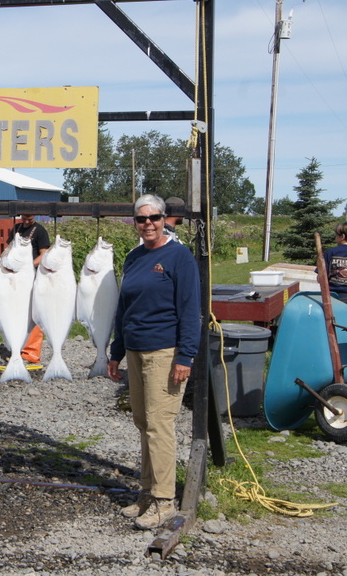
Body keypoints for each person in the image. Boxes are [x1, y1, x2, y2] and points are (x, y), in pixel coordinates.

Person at [107, 194, 201, 530]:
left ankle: (165, 502)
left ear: (165, 219)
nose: (148, 224)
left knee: (160, 425)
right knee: (143, 423)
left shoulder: (179, 258)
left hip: (165, 353)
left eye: (154, 218)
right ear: (134, 222)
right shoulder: (134, 258)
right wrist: (116, 351)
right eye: (141, 219)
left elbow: (191, 311)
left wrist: (185, 356)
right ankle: (147, 494)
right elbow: (124, 309)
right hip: (134, 350)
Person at [6, 214, 51, 363]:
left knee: (33, 313)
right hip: (16, 277)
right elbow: (9, 248)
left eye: (29, 219)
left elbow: (44, 255)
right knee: (17, 312)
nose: (26, 221)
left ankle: (31, 352)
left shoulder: (40, 231)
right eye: (24, 218)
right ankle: (17, 347)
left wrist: (29, 266)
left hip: (32, 276)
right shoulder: (16, 229)